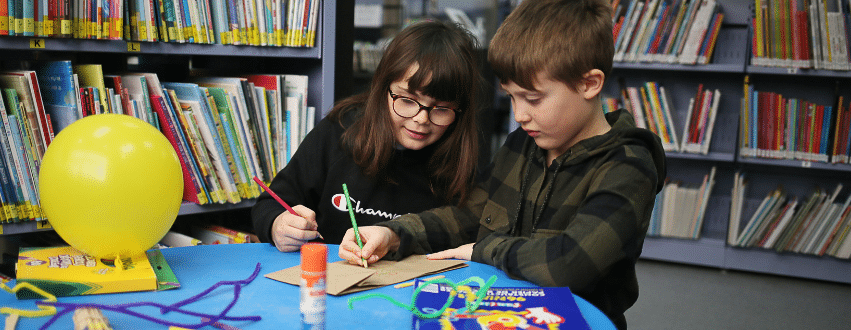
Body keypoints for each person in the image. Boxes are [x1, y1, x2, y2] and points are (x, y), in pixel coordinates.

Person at [338, 0, 666, 328]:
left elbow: (570, 263)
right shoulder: (523, 144)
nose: (520, 115)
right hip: (502, 314)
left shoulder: (628, 167)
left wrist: (487, 249)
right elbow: (471, 213)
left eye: (533, 99)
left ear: (589, 84)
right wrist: (394, 234)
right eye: (512, 97)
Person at [250, 20, 485, 252]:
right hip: (327, 277)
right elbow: (269, 204)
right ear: (383, 89)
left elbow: (470, 236)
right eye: (406, 100)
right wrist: (277, 225)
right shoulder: (339, 130)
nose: (421, 119)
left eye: (441, 109)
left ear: (460, 111)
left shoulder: (462, 158)